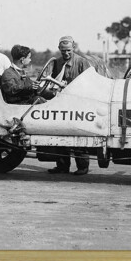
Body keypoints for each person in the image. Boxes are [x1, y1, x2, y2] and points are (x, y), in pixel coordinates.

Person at [46, 36, 91, 176]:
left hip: (79, 104)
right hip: (62, 103)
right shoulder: (57, 62)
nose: (66, 53)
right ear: (59, 49)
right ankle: (62, 166)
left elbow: (91, 83)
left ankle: (83, 166)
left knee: (78, 135)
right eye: (63, 50)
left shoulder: (82, 62)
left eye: (69, 50)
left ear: (74, 48)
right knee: (60, 134)